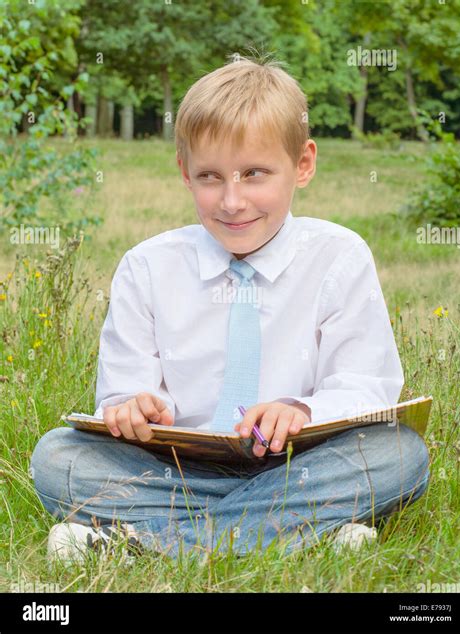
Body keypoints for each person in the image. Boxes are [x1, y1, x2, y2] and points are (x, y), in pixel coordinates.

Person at [30, 55, 430, 566]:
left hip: (302, 466)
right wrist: (134, 407)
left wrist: (303, 411)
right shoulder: (147, 267)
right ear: (184, 172)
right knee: (59, 458)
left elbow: (366, 387)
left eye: (255, 173)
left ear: (303, 164)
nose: (233, 200)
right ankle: (303, 532)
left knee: (399, 453)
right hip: (177, 472)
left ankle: (152, 543)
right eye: (211, 177)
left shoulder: (339, 256)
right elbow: (121, 391)